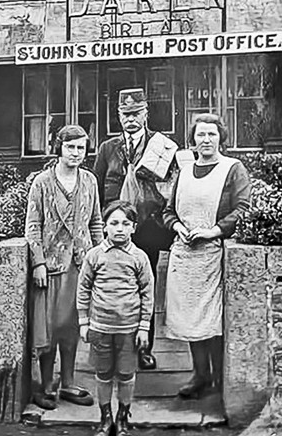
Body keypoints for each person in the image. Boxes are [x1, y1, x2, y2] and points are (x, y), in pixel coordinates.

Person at [163, 113, 251, 399]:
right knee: (190, 318)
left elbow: (243, 208)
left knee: (213, 320)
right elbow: (168, 211)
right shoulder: (185, 171)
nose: (206, 140)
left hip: (214, 253)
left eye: (211, 134)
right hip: (185, 255)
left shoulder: (232, 169)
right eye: (200, 134)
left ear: (220, 137)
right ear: (193, 138)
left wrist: (213, 231)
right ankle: (200, 375)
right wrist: (179, 227)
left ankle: (221, 378)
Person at [93, 88, 178, 368]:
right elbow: (96, 190)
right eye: (125, 114)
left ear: (145, 114)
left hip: (148, 229)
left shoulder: (162, 146)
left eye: (136, 113)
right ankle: (115, 347)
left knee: (145, 287)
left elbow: (172, 187)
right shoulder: (108, 148)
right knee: (114, 286)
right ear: (119, 116)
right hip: (115, 231)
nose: (130, 119)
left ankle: (144, 348)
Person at [25, 123, 104, 410]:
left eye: (81, 147)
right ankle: (47, 384)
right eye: (70, 147)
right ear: (59, 148)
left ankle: (68, 382)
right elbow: (33, 226)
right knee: (49, 327)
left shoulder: (90, 181)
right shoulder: (42, 182)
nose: (76, 153)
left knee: (72, 325)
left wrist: (100, 259)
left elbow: (96, 222)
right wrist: (38, 263)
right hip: (51, 267)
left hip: (80, 265)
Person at [77, 200, 154, 436]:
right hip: (100, 327)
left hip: (129, 329)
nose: (120, 228)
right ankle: (105, 417)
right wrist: (83, 321)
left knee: (126, 374)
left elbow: (147, 292)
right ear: (105, 227)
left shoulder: (139, 257)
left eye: (125, 223)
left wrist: (144, 327)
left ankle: (122, 417)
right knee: (103, 373)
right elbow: (83, 288)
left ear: (134, 227)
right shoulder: (94, 256)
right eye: (114, 223)